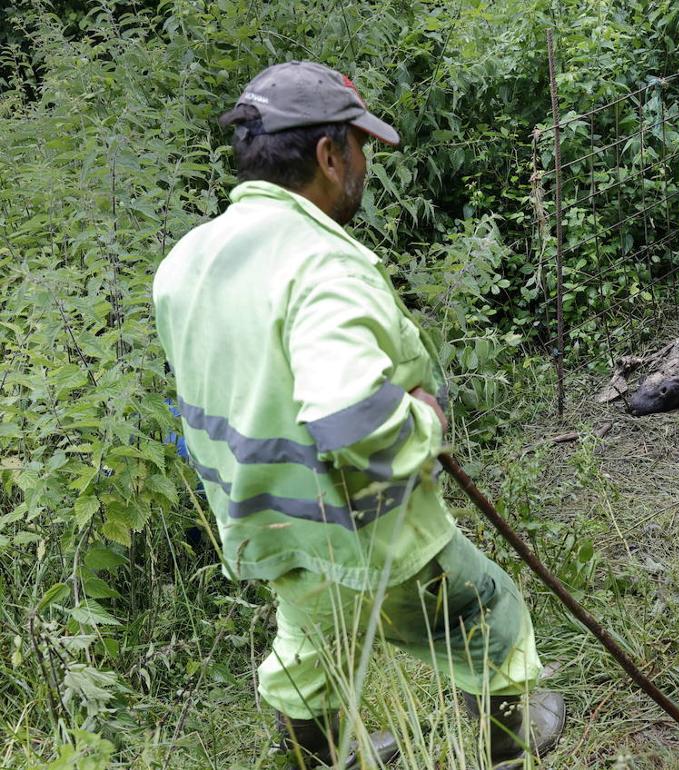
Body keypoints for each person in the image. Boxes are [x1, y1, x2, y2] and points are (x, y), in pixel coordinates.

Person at [152, 61, 565, 769]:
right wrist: (426, 420)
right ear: (328, 154)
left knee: (310, 641)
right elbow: (349, 419)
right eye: (360, 147)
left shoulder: (188, 260)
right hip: (361, 521)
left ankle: (320, 755)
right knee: (482, 610)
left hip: (261, 515)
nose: (364, 165)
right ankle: (514, 733)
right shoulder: (320, 264)